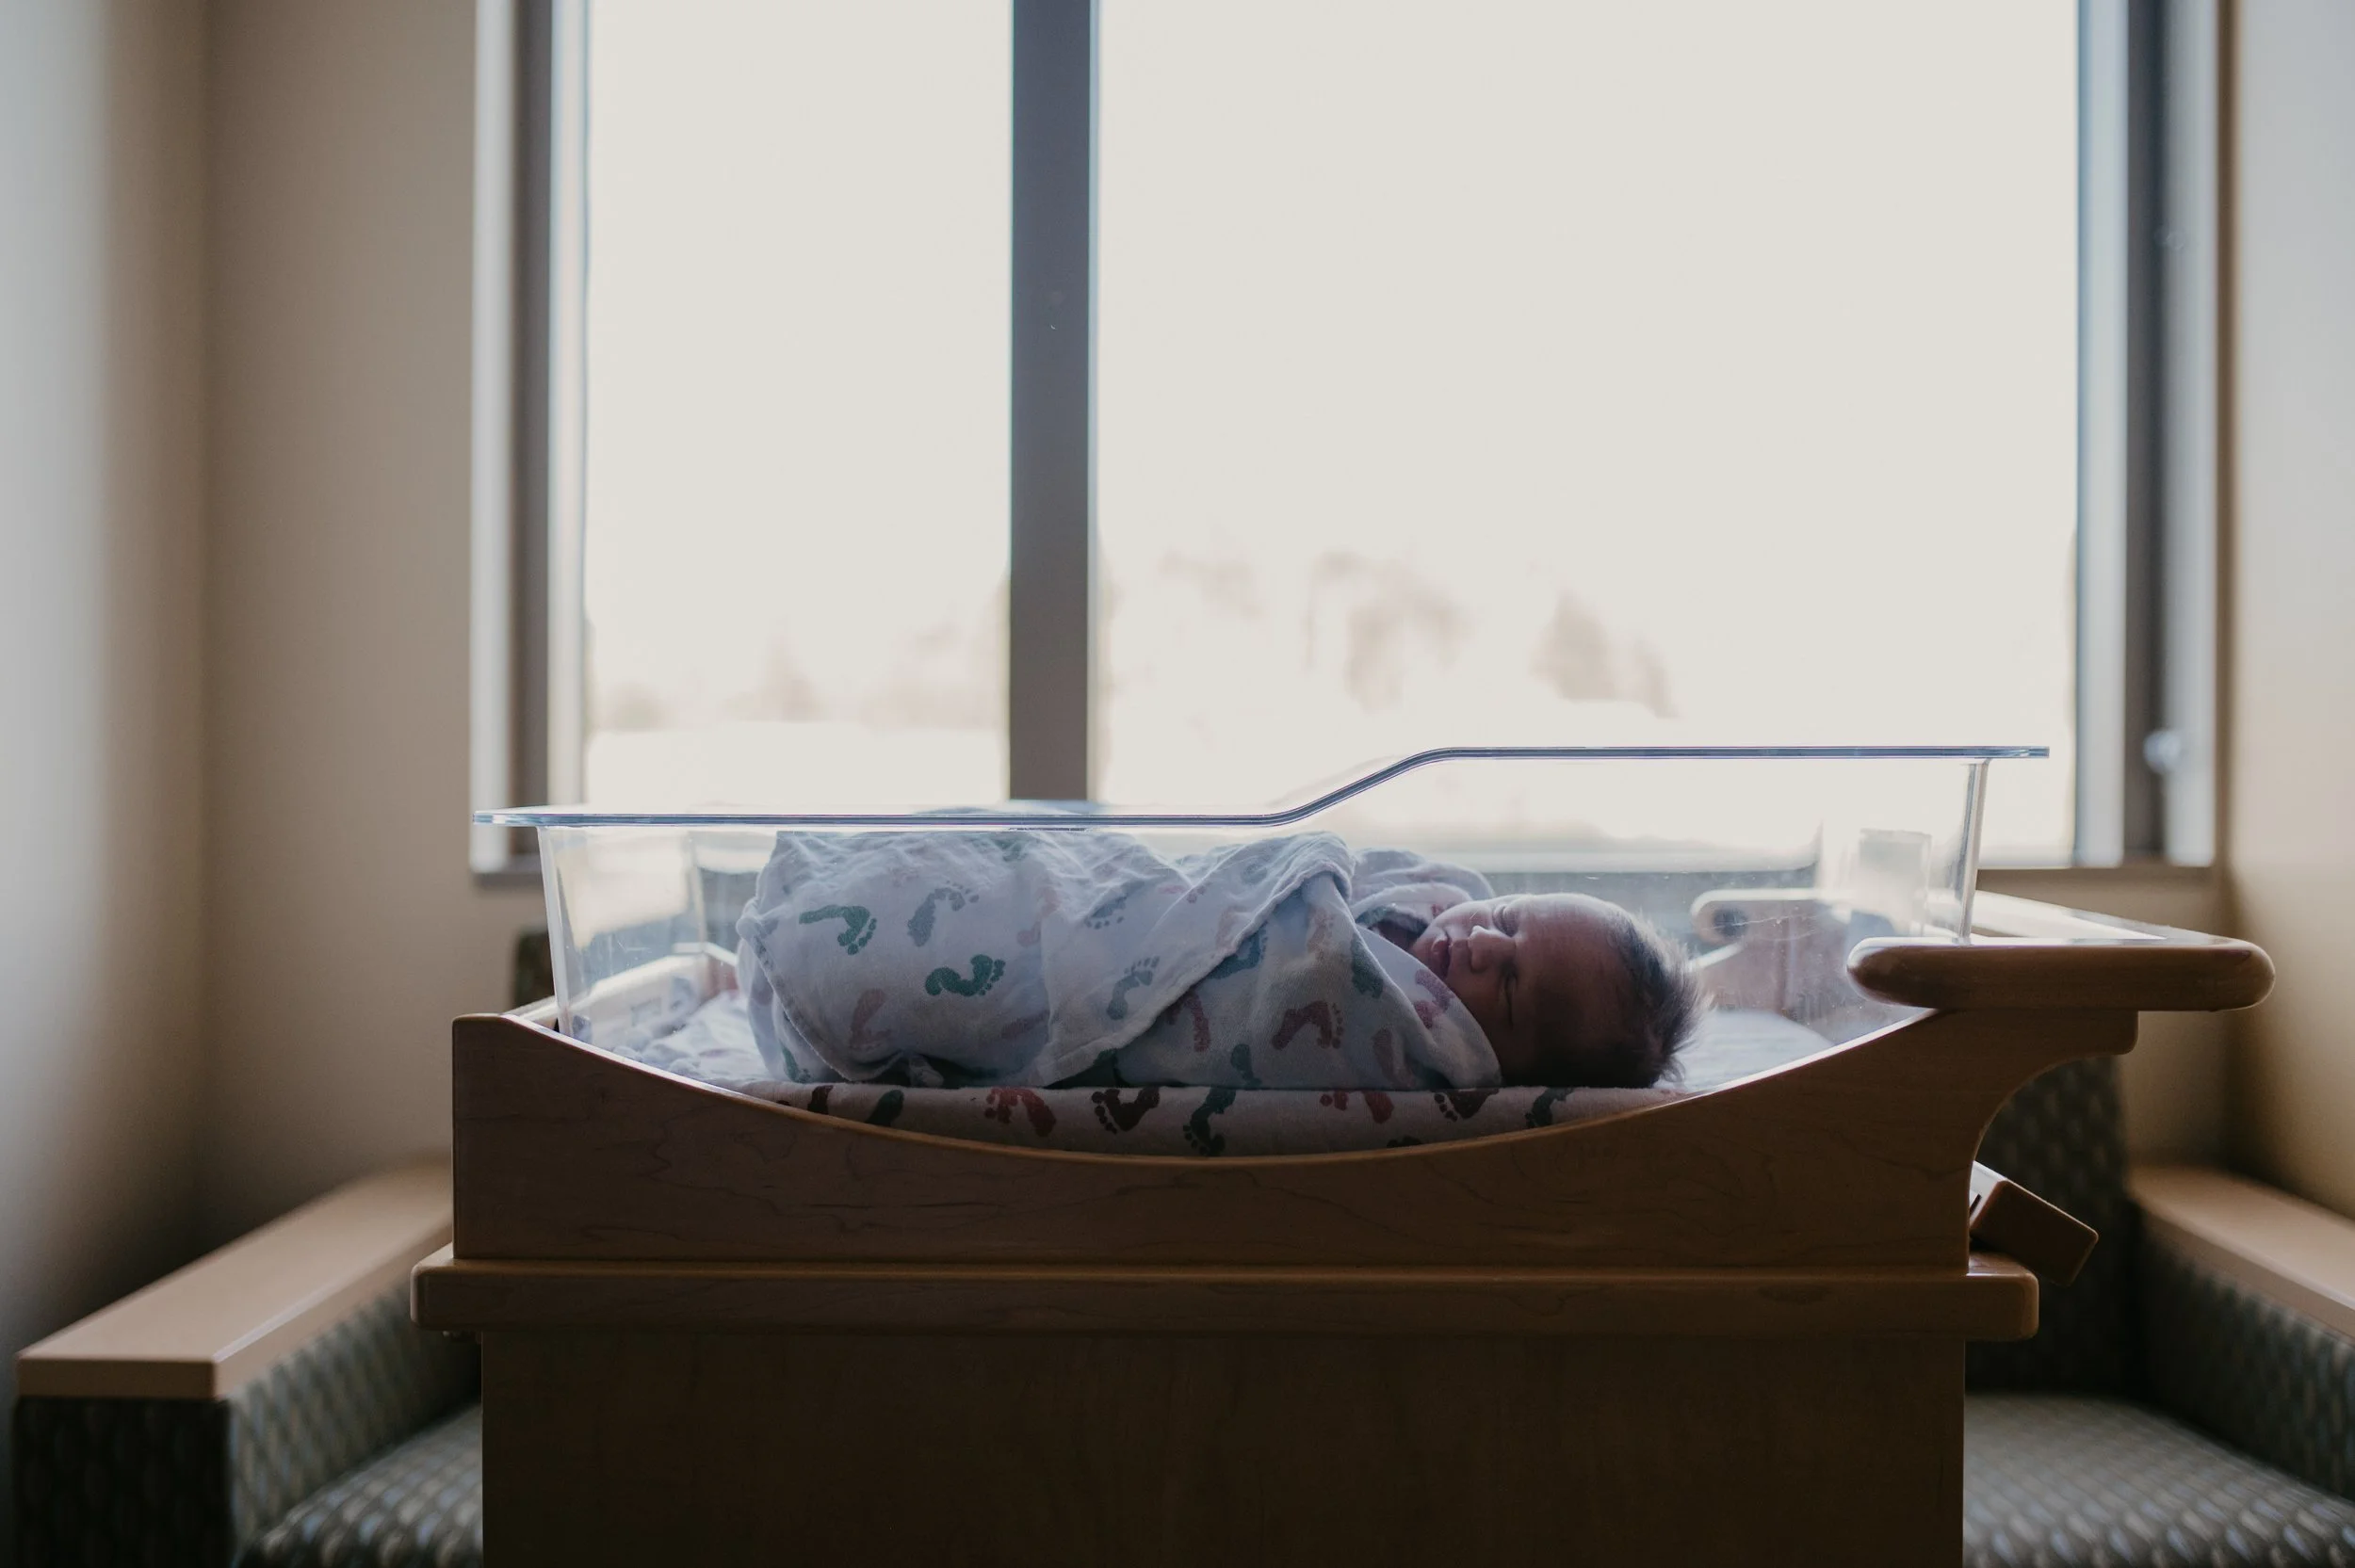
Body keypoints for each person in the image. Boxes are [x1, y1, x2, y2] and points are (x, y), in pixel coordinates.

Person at [736, 830, 1697, 1092]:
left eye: (1513, 986)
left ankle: (831, 964)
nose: (1486, 944)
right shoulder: (1430, 910)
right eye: (1514, 920)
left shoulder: (1411, 1040)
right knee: (1018, 872)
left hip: (1109, 982)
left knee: (990, 957)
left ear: (1505, 1063)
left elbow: (1298, 968)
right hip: (1116, 900)